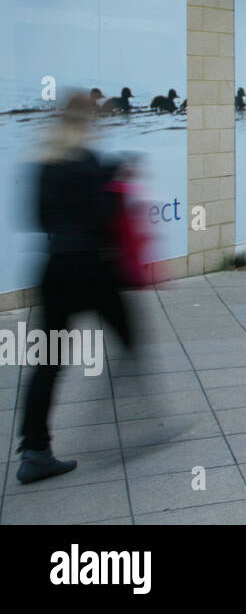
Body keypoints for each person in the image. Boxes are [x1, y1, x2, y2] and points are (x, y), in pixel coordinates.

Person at [18, 93, 136, 484]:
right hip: (93, 268)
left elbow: (36, 218)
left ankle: (34, 451)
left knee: (48, 362)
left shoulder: (43, 162)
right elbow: (104, 217)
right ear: (89, 121)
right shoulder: (88, 161)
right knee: (131, 341)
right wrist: (112, 182)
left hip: (55, 269)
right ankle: (132, 429)